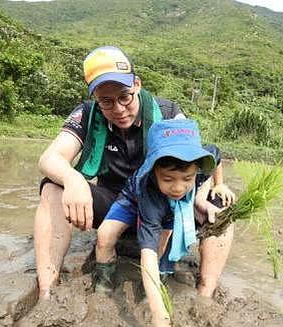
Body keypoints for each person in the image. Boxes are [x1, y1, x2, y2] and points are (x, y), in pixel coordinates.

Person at [34, 46, 234, 300]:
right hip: (115, 207)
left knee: (223, 206)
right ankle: (47, 290)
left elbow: (190, 165)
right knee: (53, 186)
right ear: (95, 96)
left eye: (124, 96)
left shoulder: (169, 115)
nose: (118, 108)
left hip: (161, 205)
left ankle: (205, 294)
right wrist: (73, 179)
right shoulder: (87, 113)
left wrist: (202, 195)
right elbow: (49, 158)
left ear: (137, 84)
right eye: (106, 101)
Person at [96, 118, 234, 327]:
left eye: (187, 179)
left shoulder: (198, 163)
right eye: (168, 178)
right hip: (133, 198)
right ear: (153, 171)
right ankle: (103, 287)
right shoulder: (150, 193)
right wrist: (159, 315)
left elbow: (215, 155)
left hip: (169, 205)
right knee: (104, 237)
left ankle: (156, 282)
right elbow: (146, 255)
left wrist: (219, 184)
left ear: (197, 168)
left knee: (163, 241)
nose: (178, 187)